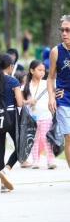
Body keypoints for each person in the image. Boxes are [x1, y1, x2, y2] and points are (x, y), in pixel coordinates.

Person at [0, 53, 23, 193]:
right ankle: (7, 170)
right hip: (11, 117)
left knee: (0, 150)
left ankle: (2, 184)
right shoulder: (13, 82)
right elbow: (19, 102)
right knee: (20, 146)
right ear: (11, 66)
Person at [23, 60, 56, 169]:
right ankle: (35, 160)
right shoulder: (26, 86)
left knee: (46, 138)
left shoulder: (47, 83)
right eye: (39, 70)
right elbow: (19, 101)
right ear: (32, 71)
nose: (42, 72)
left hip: (46, 116)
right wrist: (29, 102)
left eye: (43, 70)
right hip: (31, 118)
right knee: (34, 139)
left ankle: (50, 160)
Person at [47, 14, 70, 169]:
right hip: (63, 99)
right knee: (69, 137)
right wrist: (51, 97)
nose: (64, 33)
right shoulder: (56, 51)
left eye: (67, 30)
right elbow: (50, 78)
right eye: (62, 30)